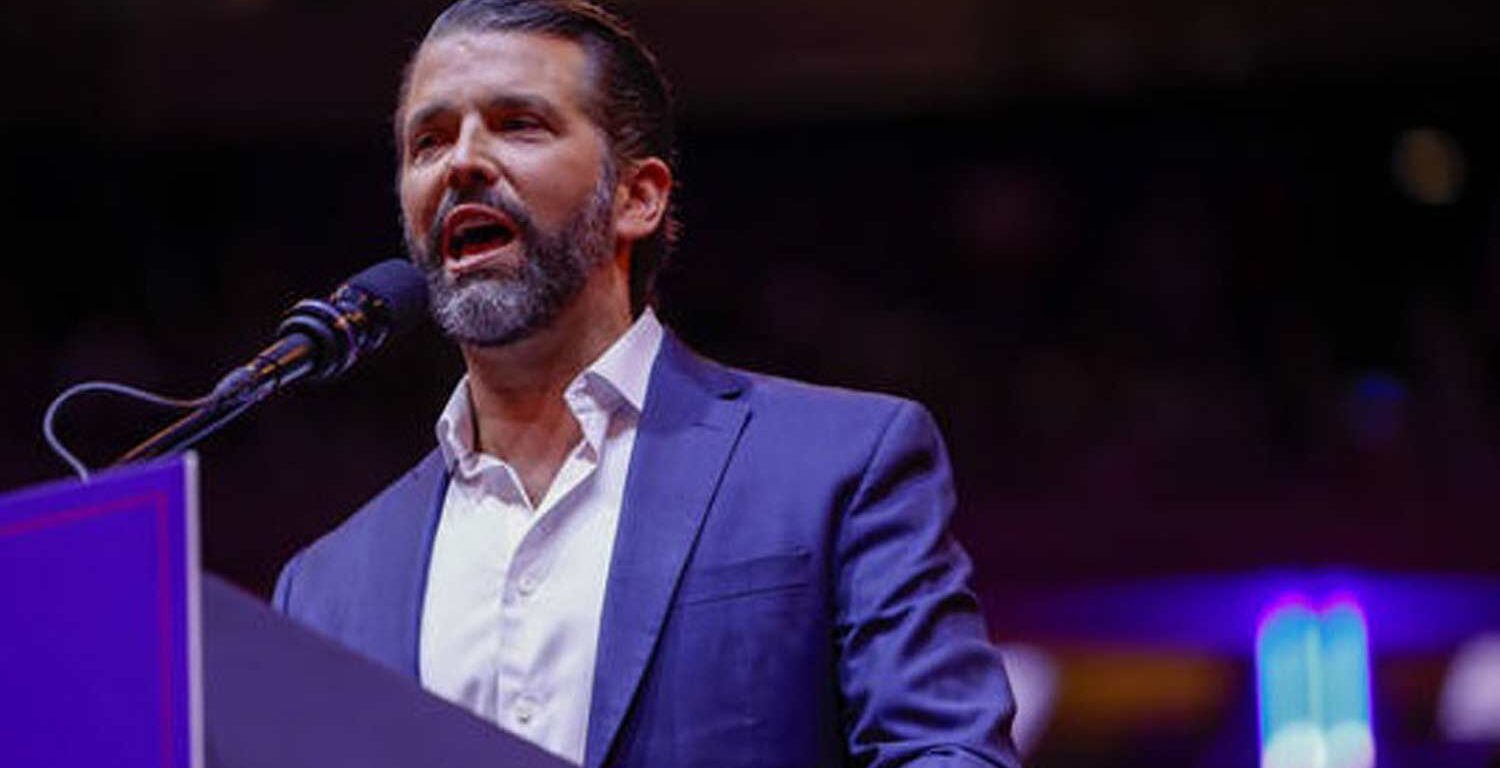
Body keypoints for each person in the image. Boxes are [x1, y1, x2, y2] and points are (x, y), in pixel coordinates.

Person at [272, 1, 1021, 766]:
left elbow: (947, 753)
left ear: (638, 198)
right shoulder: (325, 589)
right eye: (427, 141)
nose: (462, 160)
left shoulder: (838, 468)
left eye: (518, 124)